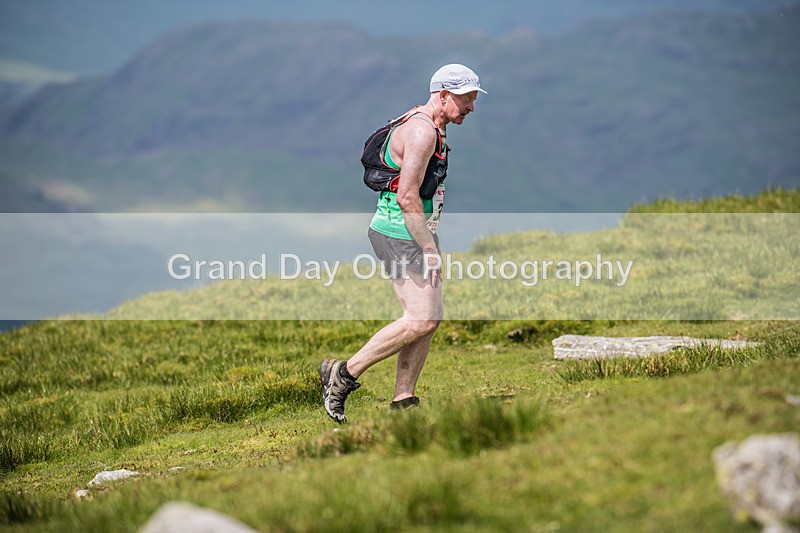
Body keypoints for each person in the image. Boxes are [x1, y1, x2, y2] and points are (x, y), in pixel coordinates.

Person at [320, 64, 486, 423]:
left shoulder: (426, 122)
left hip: (413, 230)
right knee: (422, 319)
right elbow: (408, 197)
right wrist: (428, 248)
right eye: (467, 99)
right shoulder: (422, 132)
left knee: (428, 317)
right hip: (400, 232)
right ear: (443, 95)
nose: (472, 108)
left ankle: (403, 399)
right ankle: (344, 374)